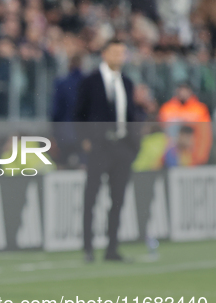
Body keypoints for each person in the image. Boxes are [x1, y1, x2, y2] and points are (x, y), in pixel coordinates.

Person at [74, 38, 138, 263]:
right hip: (99, 147)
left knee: (118, 199)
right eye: (115, 52)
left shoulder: (127, 82)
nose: (119, 57)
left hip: (121, 147)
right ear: (105, 54)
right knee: (91, 197)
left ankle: (112, 248)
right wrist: (85, 139)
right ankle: (88, 248)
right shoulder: (90, 81)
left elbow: (129, 115)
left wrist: (133, 144)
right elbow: (79, 112)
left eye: (122, 53)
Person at [158, 82, 212, 166]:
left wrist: (200, 156)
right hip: (171, 155)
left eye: (185, 90)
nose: (182, 93)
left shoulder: (200, 109)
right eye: (180, 90)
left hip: (192, 154)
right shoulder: (167, 108)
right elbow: (162, 133)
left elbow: (204, 134)